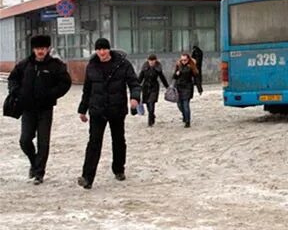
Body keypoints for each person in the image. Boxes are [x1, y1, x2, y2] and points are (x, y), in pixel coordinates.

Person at [77, 38, 141, 189]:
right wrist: (82, 109)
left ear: (109, 49)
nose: (102, 52)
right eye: (99, 49)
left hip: (116, 109)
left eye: (104, 49)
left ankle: (119, 169)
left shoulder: (122, 64)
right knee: (94, 143)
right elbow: (87, 90)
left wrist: (134, 97)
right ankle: (87, 177)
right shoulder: (92, 66)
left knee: (118, 140)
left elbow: (134, 83)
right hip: (97, 110)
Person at [7, 35, 71, 185]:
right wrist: (16, 92)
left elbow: (65, 83)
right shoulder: (24, 65)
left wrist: (52, 94)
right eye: (37, 48)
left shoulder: (55, 65)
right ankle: (33, 162)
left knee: (43, 142)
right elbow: (12, 79)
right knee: (25, 140)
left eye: (43, 48)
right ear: (33, 49)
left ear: (48, 49)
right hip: (28, 109)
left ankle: (39, 173)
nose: (40, 51)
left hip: (45, 109)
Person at [138, 54, 169, 127]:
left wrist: (167, 87)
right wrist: (136, 86)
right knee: (148, 104)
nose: (151, 62)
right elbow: (140, 78)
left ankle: (150, 122)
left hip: (154, 87)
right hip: (145, 87)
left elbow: (162, 78)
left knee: (151, 103)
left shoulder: (158, 68)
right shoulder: (144, 67)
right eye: (150, 61)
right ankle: (152, 115)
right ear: (148, 61)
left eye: (153, 61)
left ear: (155, 60)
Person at [173, 52, 202, 128]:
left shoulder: (192, 66)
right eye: (182, 60)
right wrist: (176, 74)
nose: (183, 61)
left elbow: (196, 78)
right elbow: (174, 77)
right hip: (178, 87)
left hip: (187, 87)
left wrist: (199, 89)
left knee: (186, 104)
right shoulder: (178, 65)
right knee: (179, 104)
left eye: (185, 60)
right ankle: (184, 116)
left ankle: (187, 121)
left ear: (188, 59)